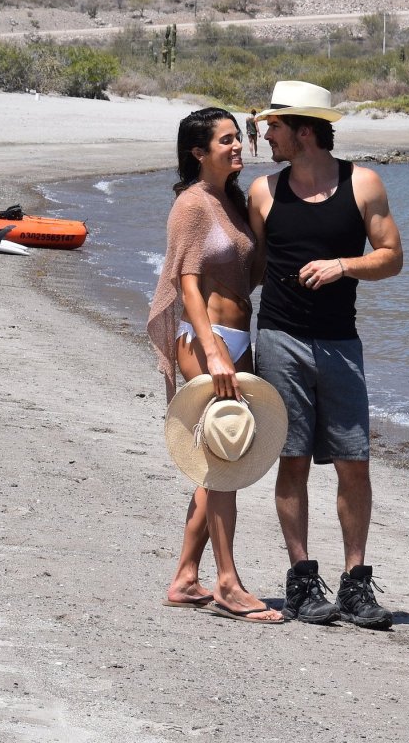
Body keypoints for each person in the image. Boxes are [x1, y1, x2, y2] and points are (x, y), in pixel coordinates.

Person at [248, 80, 404, 629]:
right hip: (279, 340)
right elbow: (252, 268)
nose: (267, 135)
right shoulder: (264, 191)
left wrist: (344, 265)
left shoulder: (363, 183)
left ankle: (355, 584)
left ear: (304, 131)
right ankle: (301, 582)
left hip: (341, 343)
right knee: (291, 460)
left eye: (274, 126)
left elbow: (391, 257)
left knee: (353, 462)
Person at [146, 107, 283, 623]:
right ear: (198, 152)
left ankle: (186, 577)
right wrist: (214, 349)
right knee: (225, 461)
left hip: (236, 338)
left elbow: (253, 273)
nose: (237, 146)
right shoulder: (192, 203)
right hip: (206, 341)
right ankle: (227, 583)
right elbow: (186, 282)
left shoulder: (233, 200)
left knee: (218, 459)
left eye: (238, 137)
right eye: (225, 140)